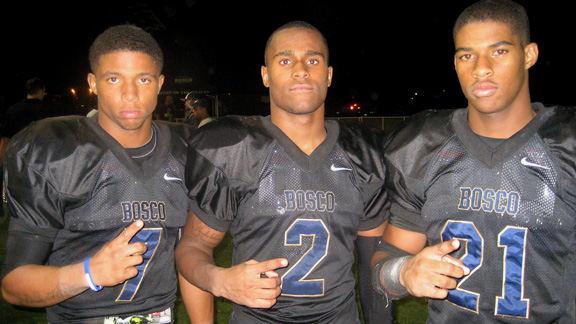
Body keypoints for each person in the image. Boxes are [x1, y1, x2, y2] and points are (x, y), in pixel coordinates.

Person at [175, 21, 393, 324]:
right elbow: (193, 246)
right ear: (266, 75)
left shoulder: (363, 154)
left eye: (313, 60)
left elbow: (374, 262)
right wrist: (220, 280)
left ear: (329, 75)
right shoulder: (234, 149)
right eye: (286, 60)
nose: (301, 69)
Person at [371, 0, 576, 322]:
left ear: (529, 55)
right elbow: (383, 269)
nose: (481, 68)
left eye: (499, 51)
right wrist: (403, 271)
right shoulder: (425, 146)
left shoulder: (566, 145)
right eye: (467, 55)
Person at [0, 25, 212, 324]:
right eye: (114, 78)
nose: (130, 94)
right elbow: (14, 285)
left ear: (160, 83)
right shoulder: (56, 152)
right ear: (93, 82)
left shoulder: (188, 150)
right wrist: (89, 272)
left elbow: (191, 255)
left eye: (143, 79)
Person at [0, 78, 46, 167]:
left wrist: (1, 162)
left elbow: (5, 140)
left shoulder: (13, 110)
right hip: (39, 162)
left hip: (17, 161)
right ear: (41, 91)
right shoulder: (47, 111)